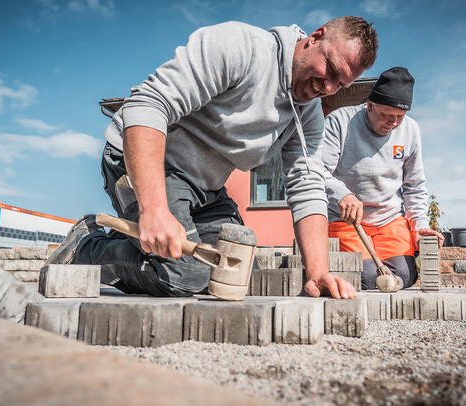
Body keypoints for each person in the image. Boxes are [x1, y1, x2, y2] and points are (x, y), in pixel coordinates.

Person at [47, 17, 378, 299]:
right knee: (183, 274)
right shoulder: (241, 49)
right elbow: (145, 107)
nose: (329, 87)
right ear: (315, 37)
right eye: (330, 69)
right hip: (140, 161)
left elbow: (307, 187)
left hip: (203, 188)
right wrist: (155, 209)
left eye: (341, 83)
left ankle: (133, 237)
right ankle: (87, 248)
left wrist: (318, 273)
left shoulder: (307, 116)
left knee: (235, 272)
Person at [319, 67, 444, 290]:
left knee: (404, 275)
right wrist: (342, 194)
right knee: (364, 277)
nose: (393, 123)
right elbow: (318, 171)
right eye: (386, 114)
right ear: (369, 105)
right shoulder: (340, 121)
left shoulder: (411, 130)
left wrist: (421, 226)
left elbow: (414, 186)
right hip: (346, 220)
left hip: (389, 219)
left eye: (399, 116)